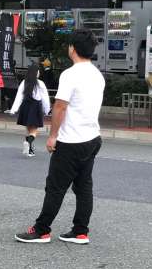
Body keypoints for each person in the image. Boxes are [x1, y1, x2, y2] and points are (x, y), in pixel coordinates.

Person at [15, 29, 105, 244]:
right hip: (92, 137)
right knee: (84, 187)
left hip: (71, 139)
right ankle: (80, 231)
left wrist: (52, 136)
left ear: (72, 48)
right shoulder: (97, 75)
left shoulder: (70, 74)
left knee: (55, 187)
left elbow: (60, 106)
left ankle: (41, 230)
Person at [10, 63, 51, 157]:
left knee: (29, 129)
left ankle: (30, 150)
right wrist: (47, 109)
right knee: (34, 130)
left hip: (25, 106)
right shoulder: (40, 83)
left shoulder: (24, 82)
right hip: (36, 106)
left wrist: (13, 109)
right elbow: (45, 98)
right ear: (36, 72)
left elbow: (19, 96)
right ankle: (28, 142)